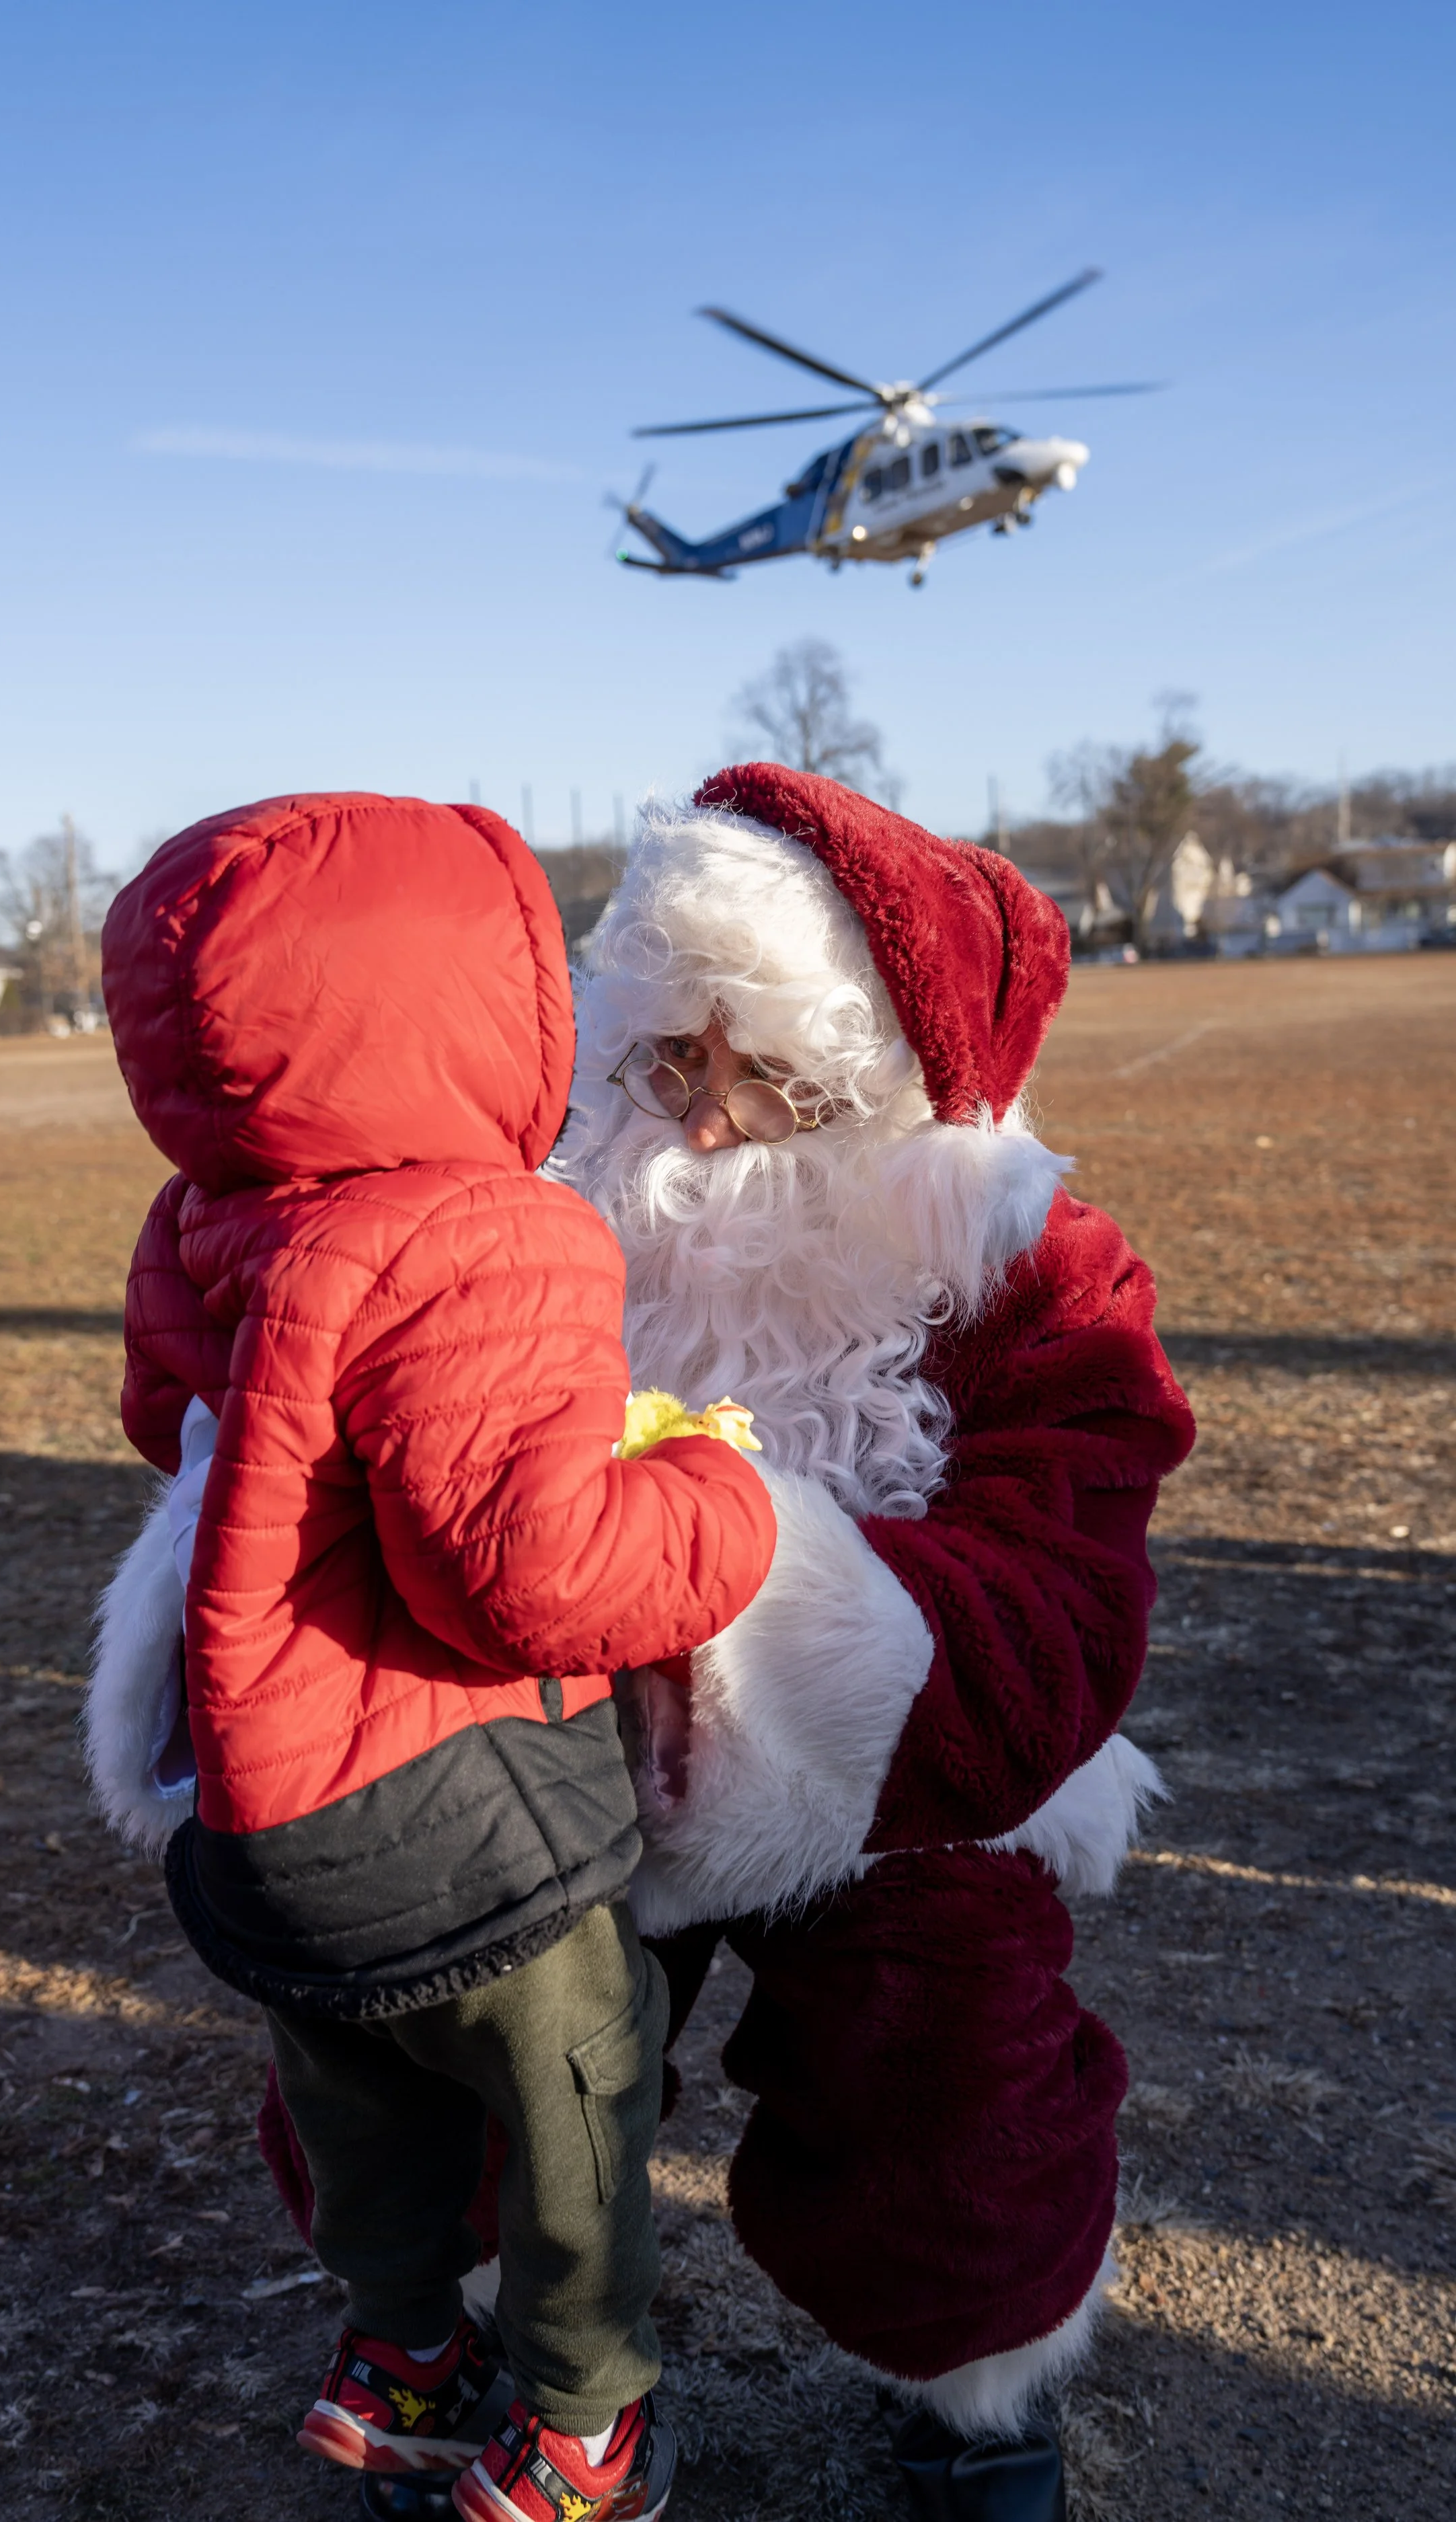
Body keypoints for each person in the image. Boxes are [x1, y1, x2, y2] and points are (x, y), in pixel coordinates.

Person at [85, 792, 777, 2522]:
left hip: (253, 1810)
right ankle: (583, 2425)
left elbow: (166, 1419)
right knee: (576, 2089)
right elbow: (532, 1576)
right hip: (450, 1817)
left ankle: (398, 2353)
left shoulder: (205, 1213)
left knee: (364, 2090)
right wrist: (717, 1492)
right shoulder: (492, 1226)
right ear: (489, 1005)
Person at [557, 765, 1195, 2522]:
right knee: (473, 1999)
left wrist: (760, 1606)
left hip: (911, 1766)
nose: (698, 1125)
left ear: (884, 1083)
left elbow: (1058, 1604)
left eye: (767, 1071)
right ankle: (528, 2348)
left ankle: (975, 2389)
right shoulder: (556, 1216)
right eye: (668, 1059)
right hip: (580, 1737)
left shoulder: (1033, 1273)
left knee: (949, 2052)